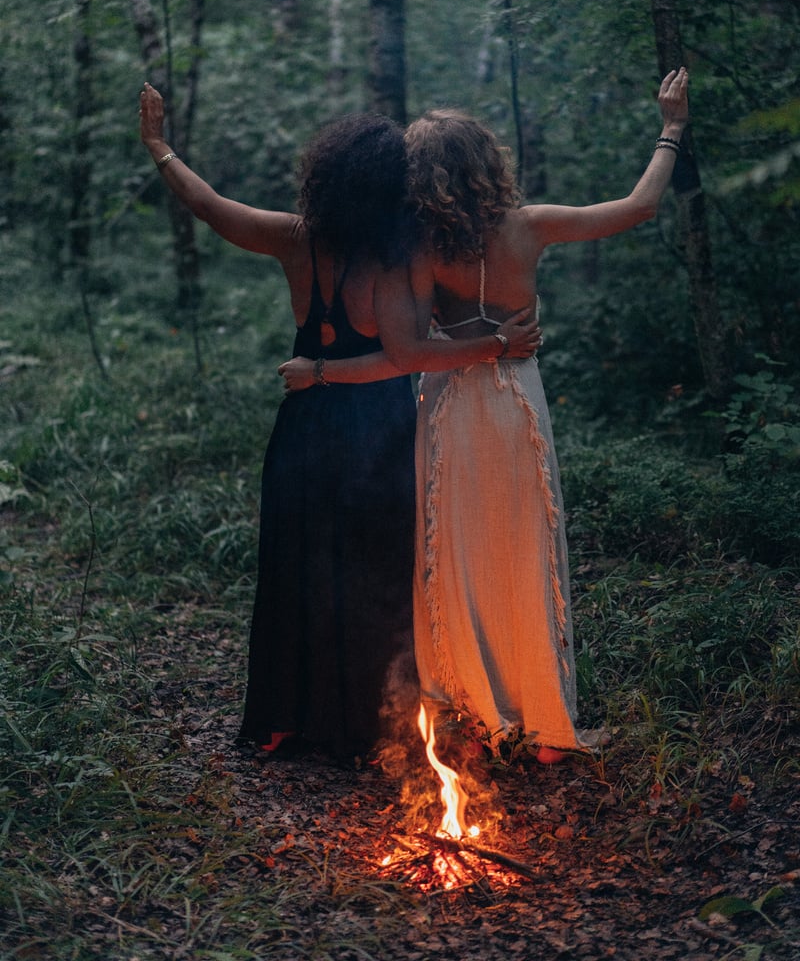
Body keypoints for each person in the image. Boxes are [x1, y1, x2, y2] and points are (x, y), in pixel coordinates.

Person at [139, 84, 540, 764]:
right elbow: (411, 355)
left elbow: (210, 207)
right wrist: (498, 344)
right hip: (379, 429)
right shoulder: (396, 260)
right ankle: (366, 730)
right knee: (378, 574)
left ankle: (281, 723)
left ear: (325, 178)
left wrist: (160, 148)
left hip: (305, 427)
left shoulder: (297, 241)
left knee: (295, 567)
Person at [367, 67, 690, 764]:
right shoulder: (530, 227)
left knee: (453, 553)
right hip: (514, 403)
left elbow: (417, 347)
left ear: (422, 178)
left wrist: (474, 343)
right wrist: (672, 127)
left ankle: (465, 706)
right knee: (521, 548)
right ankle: (539, 719)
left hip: (451, 406)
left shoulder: (423, 251)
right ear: (488, 163)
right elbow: (637, 207)